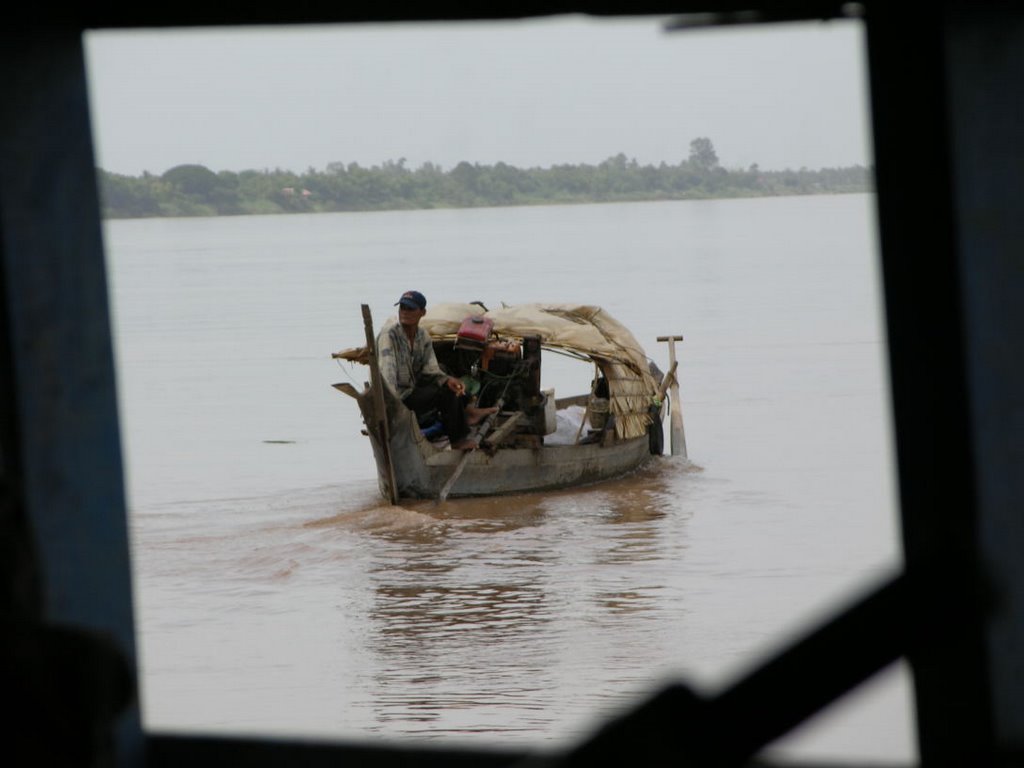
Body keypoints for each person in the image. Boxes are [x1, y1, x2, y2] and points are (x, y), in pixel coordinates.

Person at [377, 290, 495, 450]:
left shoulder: (422, 336)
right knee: (444, 393)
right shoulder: (389, 335)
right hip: (398, 398)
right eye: (402, 307)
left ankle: (465, 422)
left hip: (412, 393)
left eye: (410, 309)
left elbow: (430, 368)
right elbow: (387, 371)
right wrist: (391, 408)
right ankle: (460, 434)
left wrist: (447, 380)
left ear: (422, 312)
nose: (405, 312)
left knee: (450, 386)